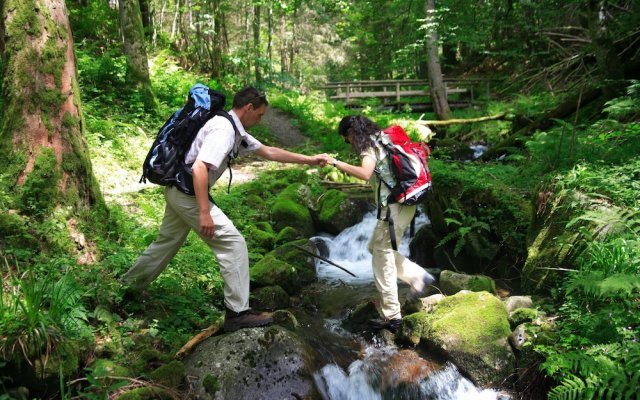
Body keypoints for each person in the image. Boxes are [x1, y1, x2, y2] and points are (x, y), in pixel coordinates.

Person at [122, 87, 327, 332]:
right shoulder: (224, 130)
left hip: (179, 191)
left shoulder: (234, 129)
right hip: (188, 194)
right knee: (234, 243)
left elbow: (269, 152)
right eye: (260, 115)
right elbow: (199, 168)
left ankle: (126, 288)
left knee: (166, 242)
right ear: (248, 108)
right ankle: (237, 313)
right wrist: (204, 212)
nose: (260, 121)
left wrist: (310, 159)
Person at [325, 115, 435, 331]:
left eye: (347, 138)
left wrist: (336, 163)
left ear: (351, 133)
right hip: (407, 203)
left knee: (381, 257)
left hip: (394, 207)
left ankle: (393, 316)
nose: (348, 143)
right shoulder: (385, 138)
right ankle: (418, 276)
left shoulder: (369, 147)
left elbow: (365, 173)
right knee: (375, 248)